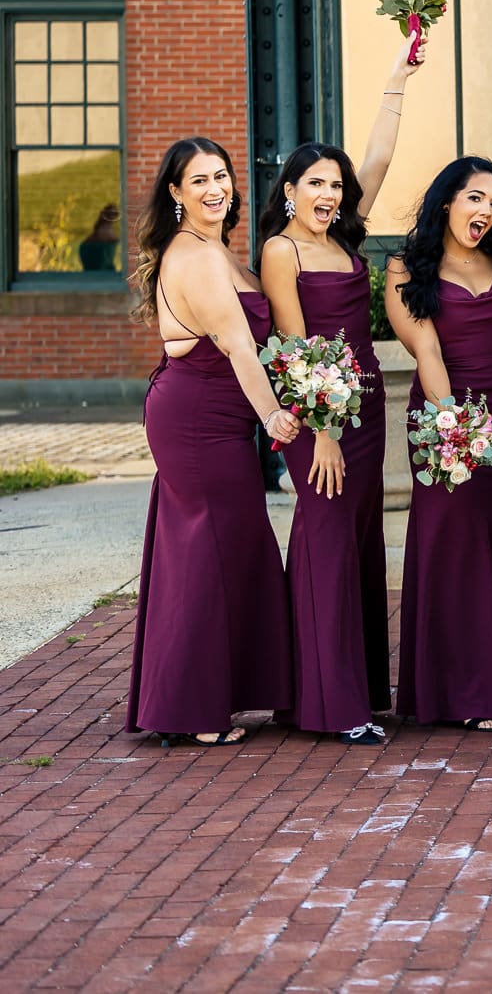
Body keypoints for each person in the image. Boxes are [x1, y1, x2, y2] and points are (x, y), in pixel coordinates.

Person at [254, 43, 417, 746]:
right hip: (320, 416)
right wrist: (321, 431)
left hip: (366, 409)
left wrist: (396, 84)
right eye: (314, 183)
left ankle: (342, 691)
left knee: (357, 541)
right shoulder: (281, 250)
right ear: (289, 191)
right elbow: (294, 350)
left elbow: (376, 159)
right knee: (324, 539)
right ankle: (331, 705)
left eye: (334, 186)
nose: (328, 194)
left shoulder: (344, 239)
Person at [127, 138, 299, 747]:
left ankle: (202, 696)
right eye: (198, 180)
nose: (214, 189)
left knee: (222, 548)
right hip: (198, 421)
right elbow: (238, 346)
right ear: (176, 192)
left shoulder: (216, 249)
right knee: (211, 552)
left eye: (220, 176)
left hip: (217, 418)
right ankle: (195, 712)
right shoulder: (194, 256)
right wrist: (273, 415)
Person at [385, 157, 492, 732]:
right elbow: (426, 350)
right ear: (447, 200)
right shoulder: (406, 267)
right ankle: (462, 692)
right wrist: (453, 426)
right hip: (443, 418)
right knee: (454, 543)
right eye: (476, 198)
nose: (486, 212)